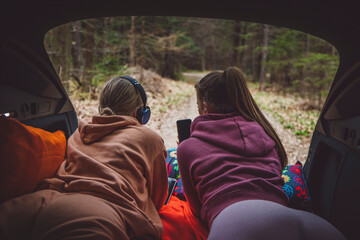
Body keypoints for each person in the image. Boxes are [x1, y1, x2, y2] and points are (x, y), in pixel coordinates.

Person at [177, 67, 346, 240]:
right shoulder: (265, 134)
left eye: (198, 107)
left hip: (231, 225)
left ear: (205, 108)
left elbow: (197, 211)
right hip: (298, 221)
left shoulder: (187, 148)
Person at [0, 76, 168, 240]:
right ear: (140, 113)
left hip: (39, 201)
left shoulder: (80, 130)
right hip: (95, 214)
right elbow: (158, 198)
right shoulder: (148, 138)